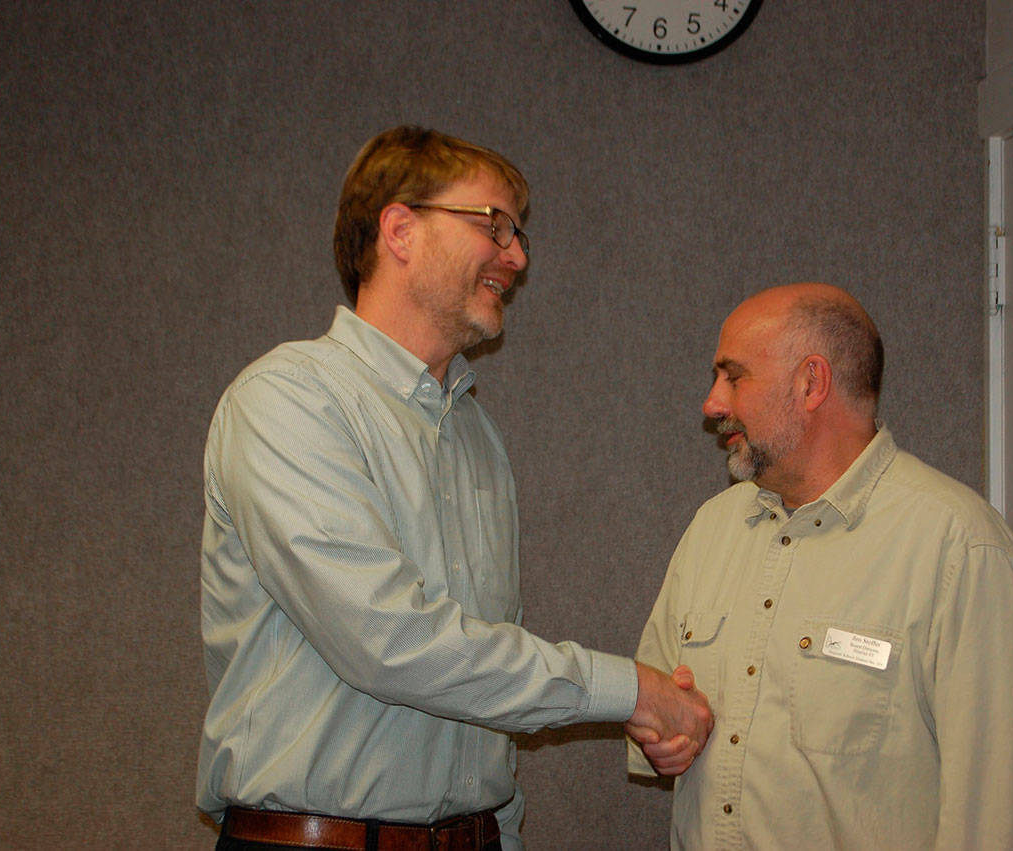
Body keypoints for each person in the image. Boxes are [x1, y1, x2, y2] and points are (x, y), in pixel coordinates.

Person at [197, 125, 712, 851]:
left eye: (520, 234)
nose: (518, 256)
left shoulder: (475, 435)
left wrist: (498, 831)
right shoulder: (288, 400)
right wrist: (628, 689)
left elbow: (477, 684)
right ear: (400, 229)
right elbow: (390, 642)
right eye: (494, 225)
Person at [629, 283, 1013, 849]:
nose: (713, 403)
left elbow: (1003, 817)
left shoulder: (959, 547)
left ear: (811, 382)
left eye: (734, 376)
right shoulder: (712, 529)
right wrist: (661, 732)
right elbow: (651, 698)